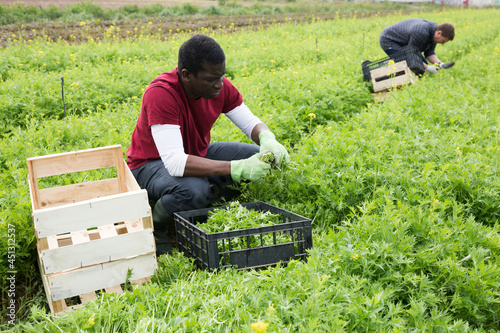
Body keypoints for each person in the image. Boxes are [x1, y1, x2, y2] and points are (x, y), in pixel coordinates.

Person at [126, 34, 289, 255]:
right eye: (212, 78)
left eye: (221, 76)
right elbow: (174, 163)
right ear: (187, 75)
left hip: (193, 153)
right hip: (149, 164)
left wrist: (268, 139)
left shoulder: (218, 87)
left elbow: (250, 123)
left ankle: (199, 210)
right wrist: (236, 168)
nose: (219, 84)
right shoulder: (162, 94)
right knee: (193, 190)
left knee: (255, 154)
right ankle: (157, 227)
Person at [379, 18, 455, 74]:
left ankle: (395, 61)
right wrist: (427, 68)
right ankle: (383, 68)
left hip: (404, 43)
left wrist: (440, 64)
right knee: (415, 68)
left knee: (422, 64)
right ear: (439, 33)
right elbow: (410, 55)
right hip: (389, 40)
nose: (442, 44)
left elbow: (429, 52)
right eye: (443, 41)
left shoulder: (434, 32)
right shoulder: (421, 32)